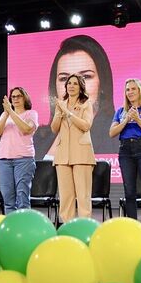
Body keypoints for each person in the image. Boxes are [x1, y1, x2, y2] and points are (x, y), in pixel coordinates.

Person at [36, 35, 116, 159]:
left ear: (102, 84)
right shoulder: (38, 139)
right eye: (64, 79)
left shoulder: (116, 135)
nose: (73, 86)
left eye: (85, 77)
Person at [109, 78, 141, 232]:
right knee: (129, 192)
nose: (130, 92)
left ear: (140, 91)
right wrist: (125, 120)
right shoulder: (120, 111)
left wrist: (137, 119)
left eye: (133, 89)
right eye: (127, 90)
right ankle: (133, 230)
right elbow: (112, 132)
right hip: (125, 151)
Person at [51, 73, 96, 224]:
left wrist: (68, 113)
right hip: (63, 155)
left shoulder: (86, 104)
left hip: (82, 154)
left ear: (81, 87)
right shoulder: (61, 104)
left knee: (83, 195)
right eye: (69, 83)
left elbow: (86, 125)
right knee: (66, 197)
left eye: (75, 83)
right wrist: (59, 112)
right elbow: (54, 128)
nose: (71, 86)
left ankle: (84, 227)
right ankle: (66, 228)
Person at [0, 87, 38, 215]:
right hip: (4, 159)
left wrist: (11, 112)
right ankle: (11, 227)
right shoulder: (5, 115)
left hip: (24, 159)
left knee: (22, 196)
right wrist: (7, 113)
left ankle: (24, 227)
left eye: (19, 96)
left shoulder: (31, 114)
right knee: (8, 197)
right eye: (13, 97)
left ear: (25, 98)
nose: (15, 99)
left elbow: (26, 129)